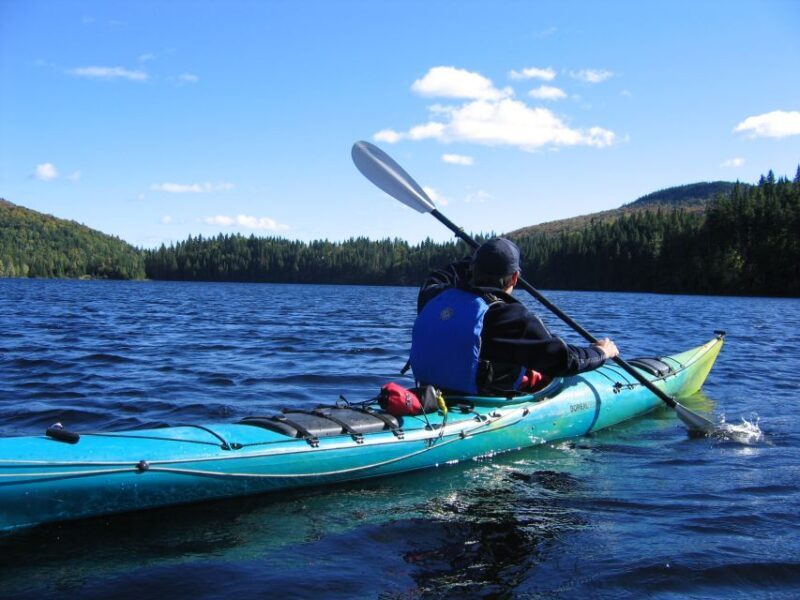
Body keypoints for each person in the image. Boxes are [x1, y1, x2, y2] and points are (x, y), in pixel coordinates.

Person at [409, 237, 619, 395]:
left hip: (431, 393)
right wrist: (600, 352)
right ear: (515, 278)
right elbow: (565, 361)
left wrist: (477, 260)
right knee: (537, 373)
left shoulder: (433, 296)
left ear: (472, 269)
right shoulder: (508, 317)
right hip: (483, 400)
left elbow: (439, 275)